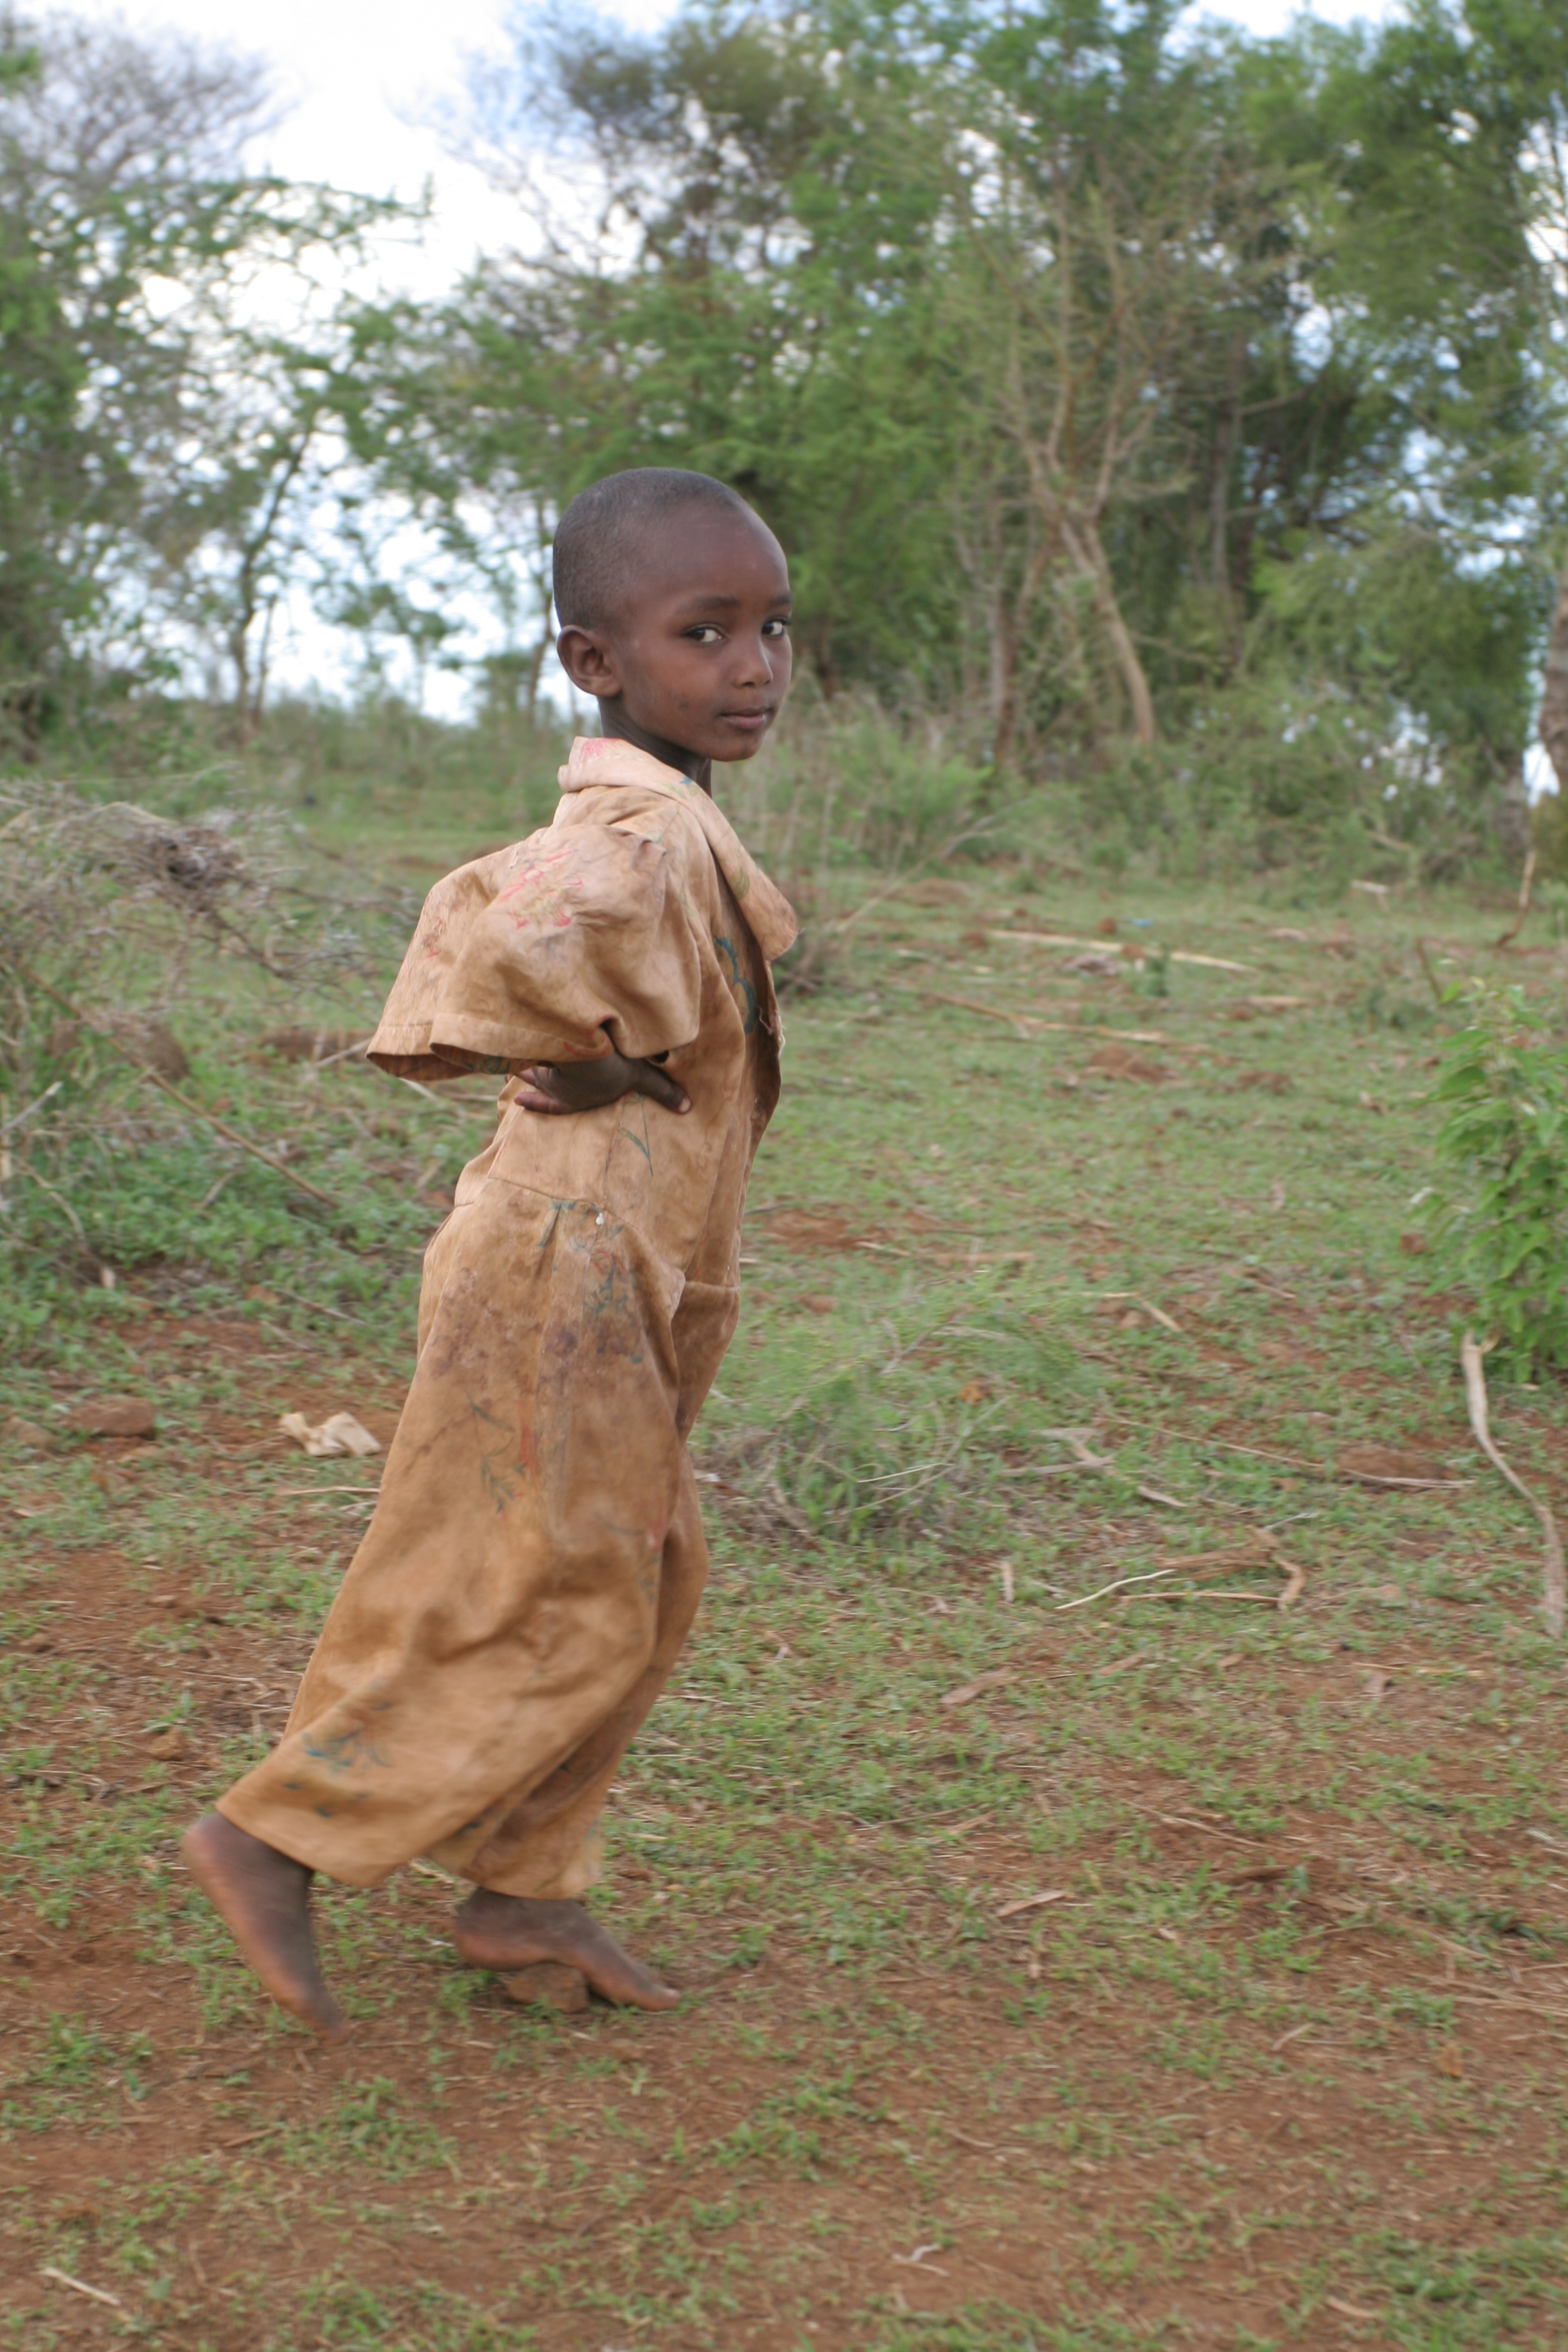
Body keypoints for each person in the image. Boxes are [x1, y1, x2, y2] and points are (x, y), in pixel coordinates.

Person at [183, 469, 798, 2041]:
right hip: (569, 1256)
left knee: (627, 1577)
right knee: (567, 1583)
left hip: (622, 1255)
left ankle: (526, 1885)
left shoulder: (669, 815)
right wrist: (578, 1054)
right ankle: (274, 1836)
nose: (751, 667)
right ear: (594, 660)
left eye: (770, 632)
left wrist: (599, 1058)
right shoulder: (640, 825)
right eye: (703, 631)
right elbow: (514, 927)